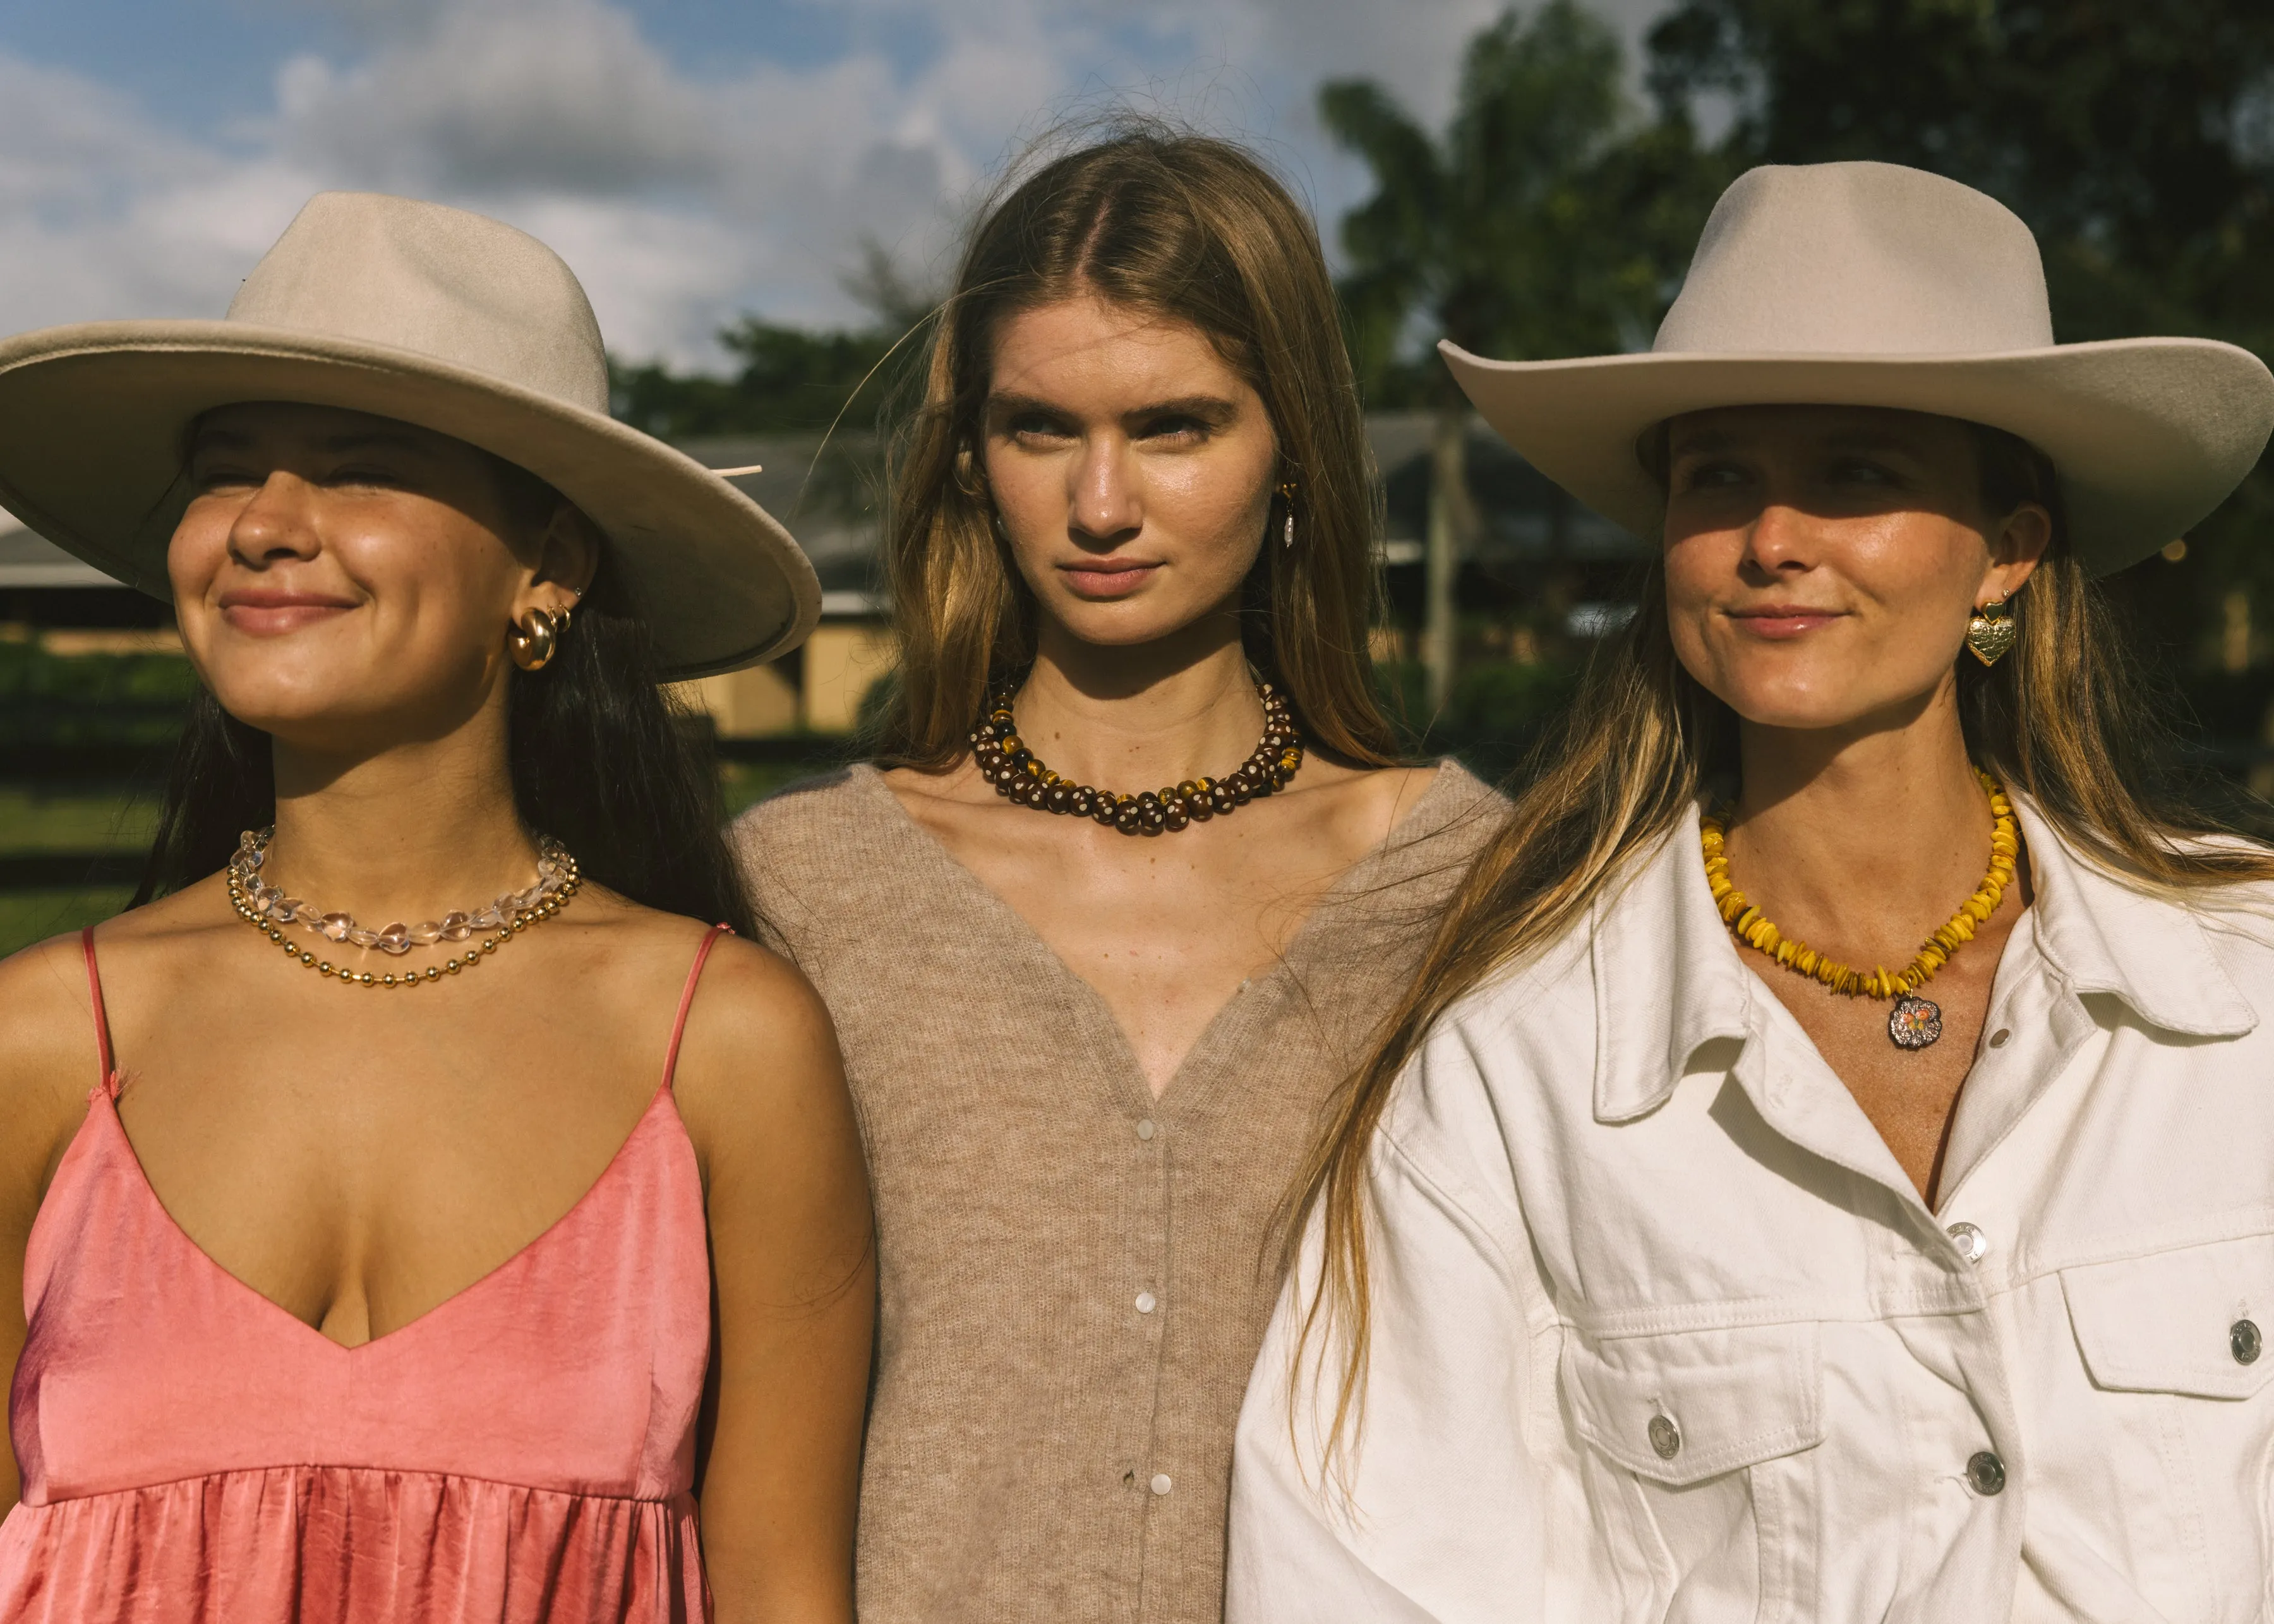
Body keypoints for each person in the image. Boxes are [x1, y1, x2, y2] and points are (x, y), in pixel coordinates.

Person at [1229, 160, 2274, 1621]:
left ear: (2010, 553)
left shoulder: (2244, 1004)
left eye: (1857, 470)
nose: (1771, 537)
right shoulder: (1512, 1078)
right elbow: (1364, 1576)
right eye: (1717, 473)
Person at [0, 193, 874, 1623]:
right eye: (228, 473)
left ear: (549, 570)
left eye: (361, 469)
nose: (269, 526)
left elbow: (784, 1587)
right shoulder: (43, 1036)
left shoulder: (723, 1044)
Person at [733, 126, 1503, 1623]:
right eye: (1038, 429)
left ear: (1292, 448)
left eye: (1174, 427)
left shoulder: (1472, 885)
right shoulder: (803, 889)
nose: (1100, 504)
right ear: (967, 457)